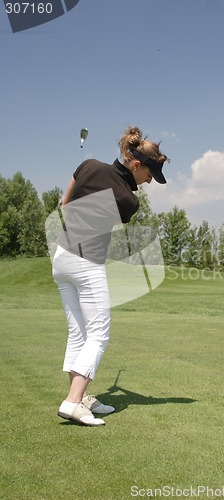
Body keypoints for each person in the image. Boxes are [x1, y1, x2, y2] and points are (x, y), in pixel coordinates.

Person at [52, 126, 169, 426]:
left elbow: (65, 207)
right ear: (135, 164)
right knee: (99, 333)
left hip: (62, 258)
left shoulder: (87, 165)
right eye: (149, 175)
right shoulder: (129, 201)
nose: (149, 182)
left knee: (78, 332)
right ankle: (73, 401)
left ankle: (82, 395)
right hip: (86, 261)